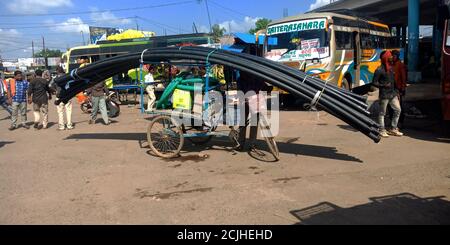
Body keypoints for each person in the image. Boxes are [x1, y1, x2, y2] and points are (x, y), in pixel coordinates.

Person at [373, 51, 403, 138]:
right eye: (390, 57)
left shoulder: (391, 69)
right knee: (382, 113)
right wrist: (383, 85)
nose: (392, 58)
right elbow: (374, 83)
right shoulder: (379, 70)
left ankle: (393, 128)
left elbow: (394, 82)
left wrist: (397, 92)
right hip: (384, 95)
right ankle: (381, 130)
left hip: (392, 94)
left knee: (398, 110)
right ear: (385, 59)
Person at [236, 70, 269, 151]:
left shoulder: (241, 78)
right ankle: (251, 144)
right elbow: (263, 86)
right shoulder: (256, 76)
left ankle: (242, 143)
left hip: (247, 100)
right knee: (252, 122)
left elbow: (239, 90)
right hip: (249, 100)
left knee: (244, 122)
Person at [52, 66, 73, 130]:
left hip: (59, 96)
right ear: (62, 70)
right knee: (68, 111)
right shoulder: (68, 76)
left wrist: (55, 91)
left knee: (60, 112)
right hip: (68, 95)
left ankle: (62, 126)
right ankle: (69, 125)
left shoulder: (55, 78)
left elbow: (50, 85)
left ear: (57, 71)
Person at [391, 50, 407, 128]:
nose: (393, 57)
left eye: (394, 56)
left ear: (397, 56)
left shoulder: (400, 65)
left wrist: (403, 89)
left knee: (399, 106)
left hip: (398, 89)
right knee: (391, 106)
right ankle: (393, 122)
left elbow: (403, 78)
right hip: (391, 89)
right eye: (392, 55)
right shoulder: (391, 65)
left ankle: (400, 122)